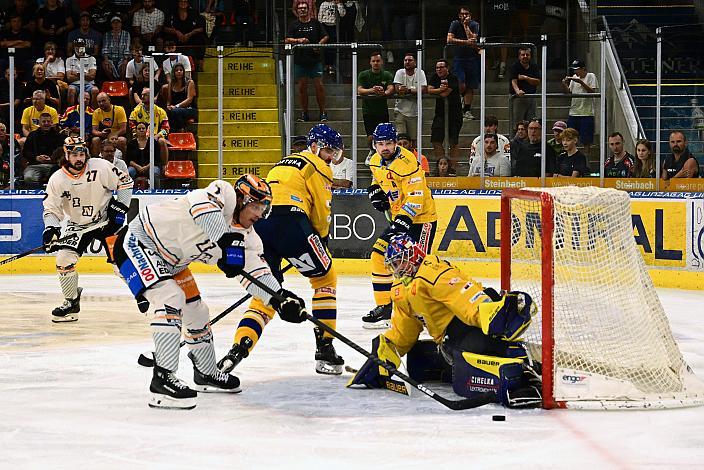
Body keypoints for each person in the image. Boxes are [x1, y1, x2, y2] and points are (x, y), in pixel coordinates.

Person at [113, 174, 308, 409]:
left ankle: (206, 374)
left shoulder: (249, 240)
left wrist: (280, 299)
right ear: (242, 200)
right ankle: (162, 380)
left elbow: (258, 276)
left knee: (197, 310)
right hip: (137, 242)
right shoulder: (222, 193)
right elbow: (202, 208)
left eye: (263, 208)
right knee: (170, 297)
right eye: (256, 206)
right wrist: (225, 242)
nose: (259, 214)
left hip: (173, 263)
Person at [348, 233, 542, 409]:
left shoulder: (432, 272)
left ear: (413, 256)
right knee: (418, 360)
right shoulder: (401, 289)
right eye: (393, 265)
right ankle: (512, 354)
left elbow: (463, 297)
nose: (397, 270)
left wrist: (490, 315)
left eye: (399, 262)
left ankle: (522, 373)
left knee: (464, 360)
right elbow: (405, 329)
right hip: (448, 339)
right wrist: (385, 354)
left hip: (468, 328)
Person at [217, 124, 346, 376]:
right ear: (314, 146)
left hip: (262, 222)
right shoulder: (319, 167)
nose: (331, 157)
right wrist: (321, 240)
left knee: (269, 293)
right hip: (292, 221)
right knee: (325, 278)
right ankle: (325, 349)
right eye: (328, 150)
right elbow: (321, 210)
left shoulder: (283, 162)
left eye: (334, 153)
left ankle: (238, 350)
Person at [42, 136, 133, 322]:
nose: (79, 158)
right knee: (63, 260)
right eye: (74, 154)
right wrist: (51, 229)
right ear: (66, 154)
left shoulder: (100, 166)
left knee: (121, 265)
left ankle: (148, 295)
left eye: (81, 153)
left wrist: (121, 207)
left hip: (106, 221)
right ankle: (72, 302)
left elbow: (125, 182)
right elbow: (51, 209)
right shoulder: (57, 179)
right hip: (78, 226)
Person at [364, 122, 437, 329]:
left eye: (389, 143)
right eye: (380, 144)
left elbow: (417, 196)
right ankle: (385, 308)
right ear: (375, 145)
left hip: (421, 219)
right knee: (379, 255)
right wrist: (375, 191)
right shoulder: (375, 161)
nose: (385, 147)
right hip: (400, 219)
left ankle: (424, 311)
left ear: (396, 143)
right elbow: (377, 179)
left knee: (415, 266)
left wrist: (403, 221)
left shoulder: (409, 162)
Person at [285, 1, 329, 123]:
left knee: (319, 86)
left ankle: (323, 113)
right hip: (300, 61)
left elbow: (325, 36)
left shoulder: (316, 23)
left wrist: (318, 45)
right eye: (300, 9)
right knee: (302, 88)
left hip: (315, 60)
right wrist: (299, 40)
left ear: (308, 9)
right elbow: (287, 39)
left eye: (304, 8)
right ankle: (304, 113)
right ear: (297, 11)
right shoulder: (293, 25)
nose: (302, 10)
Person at [446, 6, 479, 121]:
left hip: (472, 58)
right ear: (459, 15)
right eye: (462, 14)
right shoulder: (454, 24)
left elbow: (473, 40)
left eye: (467, 14)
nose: (464, 16)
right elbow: (449, 39)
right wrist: (465, 42)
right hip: (459, 58)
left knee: (470, 86)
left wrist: (466, 26)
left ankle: (467, 110)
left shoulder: (474, 25)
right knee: (461, 83)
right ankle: (458, 102)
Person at [428, 58, 463, 165]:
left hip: (455, 114)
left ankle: (453, 168)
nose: (439, 70)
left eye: (441, 67)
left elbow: (445, 94)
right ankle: (442, 164)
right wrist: (439, 89)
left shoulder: (453, 78)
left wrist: (437, 91)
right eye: (437, 68)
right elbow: (429, 90)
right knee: (435, 139)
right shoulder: (435, 77)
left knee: (453, 141)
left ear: (447, 68)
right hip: (440, 114)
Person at [357, 51, 394, 150]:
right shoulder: (364, 75)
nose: (376, 63)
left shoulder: (386, 74)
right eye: (373, 61)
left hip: (382, 111)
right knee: (370, 136)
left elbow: (391, 88)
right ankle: (371, 151)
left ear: (381, 62)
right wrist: (372, 90)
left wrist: (384, 93)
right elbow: (359, 90)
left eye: (378, 61)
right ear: (370, 62)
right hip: (368, 111)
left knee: (384, 135)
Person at [561, 59, 598, 156]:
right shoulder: (574, 77)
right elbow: (569, 92)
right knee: (570, 137)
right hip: (574, 112)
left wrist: (580, 82)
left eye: (577, 69)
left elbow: (592, 91)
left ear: (583, 69)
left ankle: (586, 160)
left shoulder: (591, 76)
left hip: (586, 113)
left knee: (586, 140)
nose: (575, 72)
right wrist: (564, 84)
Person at [393, 52, 427, 147]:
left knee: (413, 141)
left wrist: (408, 90)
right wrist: (413, 90)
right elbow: (397, 88)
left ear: (415, 62)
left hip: (414, 112)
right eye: (405, 60)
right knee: (400, 140)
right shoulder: (399, 72)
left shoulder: (420, 72)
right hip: (400, 111)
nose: (407, 62)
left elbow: (423, 89)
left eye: (410, 60)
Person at [129, 87, 170, 163]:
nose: (142, 97)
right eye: (141, 95)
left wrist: (157, 136)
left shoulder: (160, 111)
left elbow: (166, 128)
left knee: (162, 141)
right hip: (140, 137)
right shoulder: (136, 111)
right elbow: (131, 125)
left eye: (145, 95)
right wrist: (137, 135)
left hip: (155, 137)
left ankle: (164, 165)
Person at [21, 112, 63, 187]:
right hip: (34, 165)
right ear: (39, 123)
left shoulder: (59, 136)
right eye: (44, 121)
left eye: (48, 121)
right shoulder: (32, 135)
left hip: (53, 165)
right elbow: (25, 152)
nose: (46, 123)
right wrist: (36, 158)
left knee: (59, 177)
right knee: (29, 178)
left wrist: (52, 158)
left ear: (52, 123)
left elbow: (61, 151)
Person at [163, 0, 206, 70]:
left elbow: (201, 28)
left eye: (185, 1)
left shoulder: (194, 12)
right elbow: (165, 28)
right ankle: (168, 63)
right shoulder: (172, 13)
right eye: (181, 1)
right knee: (168, 38)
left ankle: (199, 62)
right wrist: (177, 32)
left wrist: (189, 34)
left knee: (200, 38)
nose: (183, 3)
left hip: (191, 37)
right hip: (176, 38)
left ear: (188, 3)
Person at [508, 47, 540, 131]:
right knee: (517, 123)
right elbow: (514, 81)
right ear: (519, 56)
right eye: (523, 55)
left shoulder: (534, 66)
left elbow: (537, 81)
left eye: (527, 55)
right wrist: (518, 91)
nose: (525, 56)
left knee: (531, 122)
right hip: (518, 98)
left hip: (531, 97)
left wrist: (525, 78)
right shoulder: (515, 67)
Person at [125, 121, 161, 186]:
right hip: (135, 167)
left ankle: (156, 192)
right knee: (129, 172)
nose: (141, 130)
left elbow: (157, 159)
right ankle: (129, 191)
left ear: (146, 129)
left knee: (155, 172)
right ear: (136, 130)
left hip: (151, 166)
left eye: (143, 128)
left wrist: (146, 167)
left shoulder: (153, 142)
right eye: (139, 129)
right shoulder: (131, 143)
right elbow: (129, 160)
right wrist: (137, 166)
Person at [65, 38, 99, 108]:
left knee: (95, 90)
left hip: (88, 85)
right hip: (75, 85)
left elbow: (92, 76)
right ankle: (70, 113)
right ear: (74, 47)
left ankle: (94, 113)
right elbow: (69, 78)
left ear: (84, 47)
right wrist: (85, 74)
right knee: (71, 89)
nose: (79, 48)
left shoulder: (91, 59)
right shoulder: (69, 60)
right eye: (77, 46)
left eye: (81, 46)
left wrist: (77, 74)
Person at [164, 63, 197, 132]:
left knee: (175, 112)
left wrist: (176, 106)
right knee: (166, 112)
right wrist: (168, 106)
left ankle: (181, 130)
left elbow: (189, 100)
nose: (179, 72)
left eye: (181, 70)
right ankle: (171, 133)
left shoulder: (190, 82)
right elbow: (169, 100)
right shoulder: (171, 83)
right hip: (174, 108)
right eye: (176, 70)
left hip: (188, 108)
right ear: (173, 72)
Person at [317, 0, 346, 76]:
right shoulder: (323, 4)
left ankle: (331, 65)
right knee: (325, 46)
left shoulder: (337, 3)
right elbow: (320, 16)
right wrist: (320, 27)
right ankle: (326, 64)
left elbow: (343, 14)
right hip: (325, 26)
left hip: (334, 26)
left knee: (333, 46)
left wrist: (339, 4)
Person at [101, 16, 131, 80]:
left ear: (121, 24)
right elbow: (105, 49)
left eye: (118, 22)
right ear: (111, 24)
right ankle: (113, 81)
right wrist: (106, 60)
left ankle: (121, 82)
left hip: (122, 58)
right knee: (105, 65)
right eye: (114, 23)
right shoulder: (107, 34)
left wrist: (125, 59)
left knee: (125, 65)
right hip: (110, 58)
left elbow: (127, 48)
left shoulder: (126, 34)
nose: (116, 24)